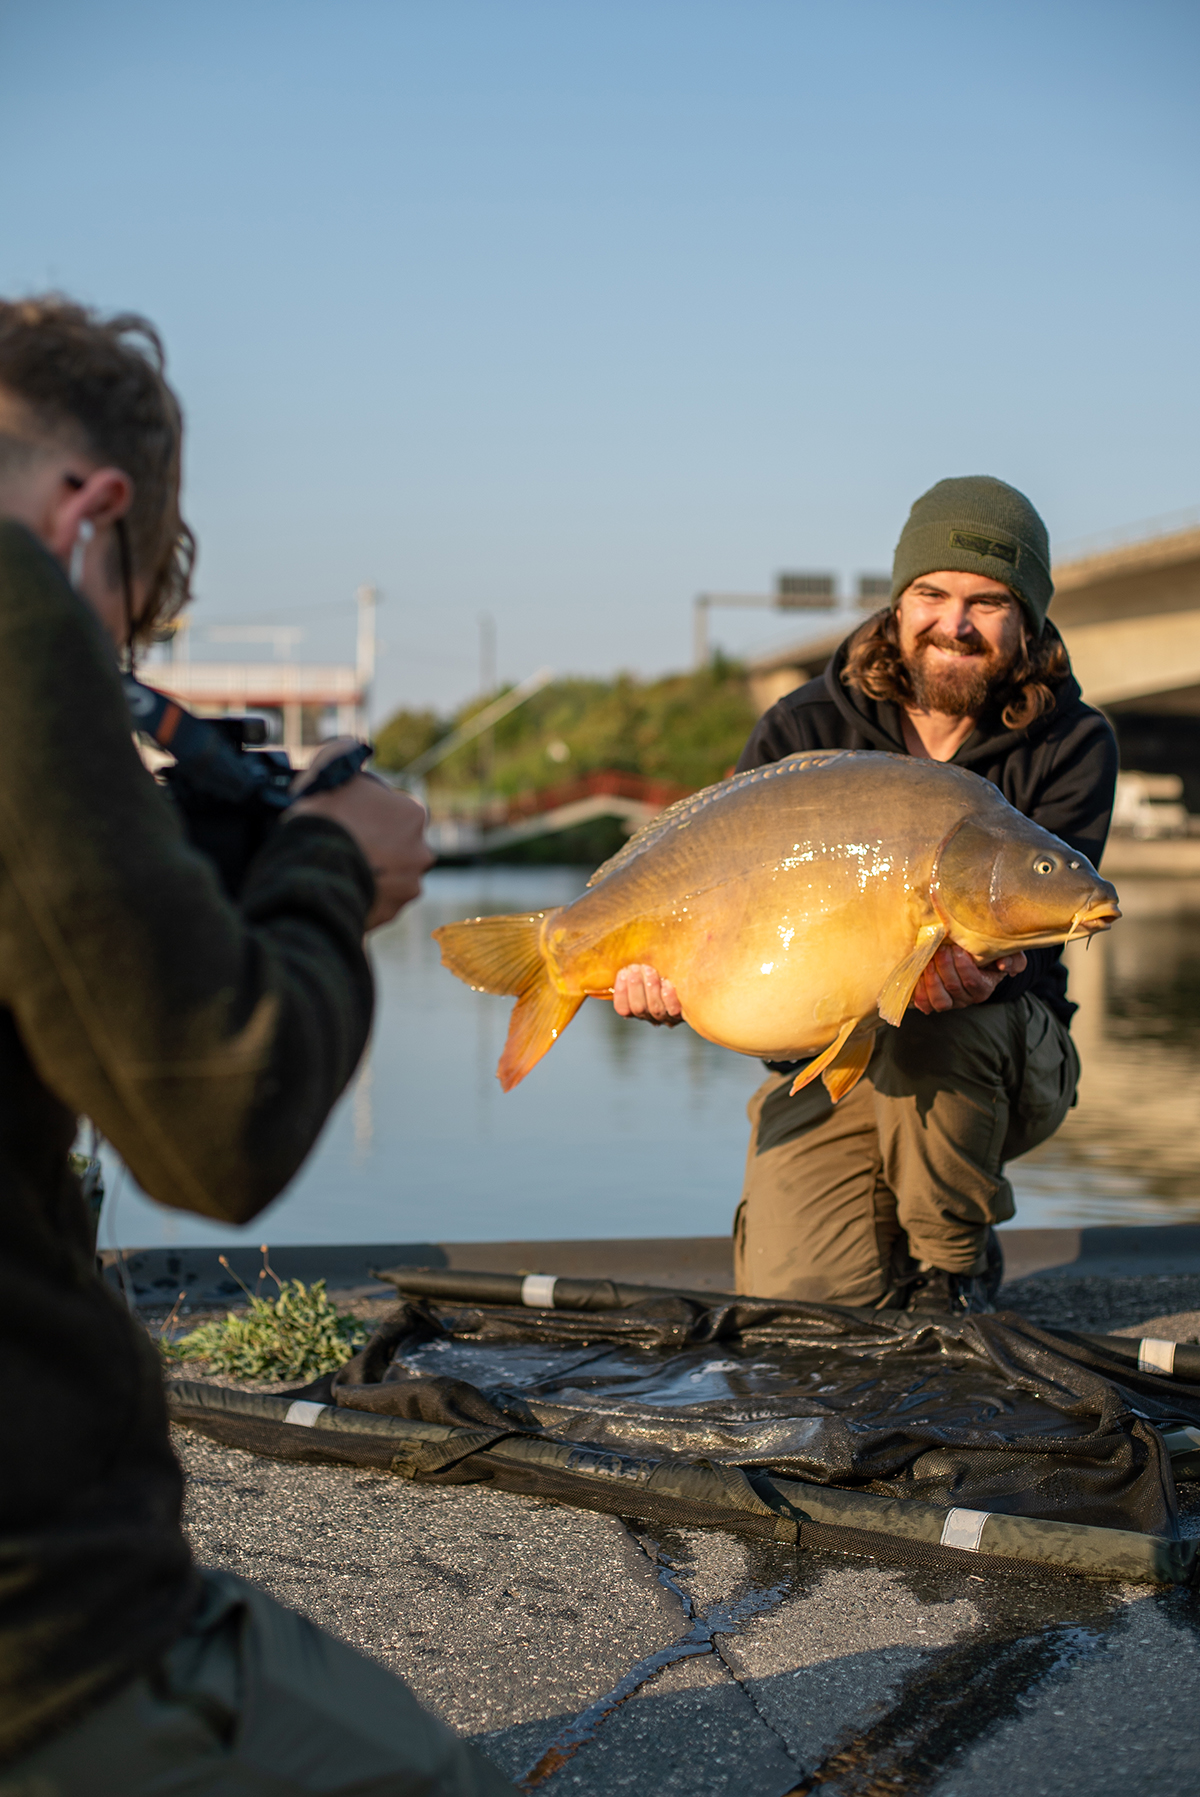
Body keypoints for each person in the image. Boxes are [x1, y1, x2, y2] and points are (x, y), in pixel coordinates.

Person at [0, 297, 512, 1795]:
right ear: (89, 514)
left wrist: (194, 870)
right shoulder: (19, 603)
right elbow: (215, 1119)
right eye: (115, 635)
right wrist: (327, 871)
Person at [615, 476, 1118, 1313]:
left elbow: (1040, 939)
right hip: (824, 1062)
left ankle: (952, 1266)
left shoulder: (1072, 740)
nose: (954, 623)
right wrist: (671, 982)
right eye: (932, 594)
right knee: (804, 1307)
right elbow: (743, 942)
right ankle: (887, 1220)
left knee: (941, 1004)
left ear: (1027, 619)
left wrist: (983, 973)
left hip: (1003, 1056)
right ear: (898, 603)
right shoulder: (801, 726)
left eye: (988, 601)